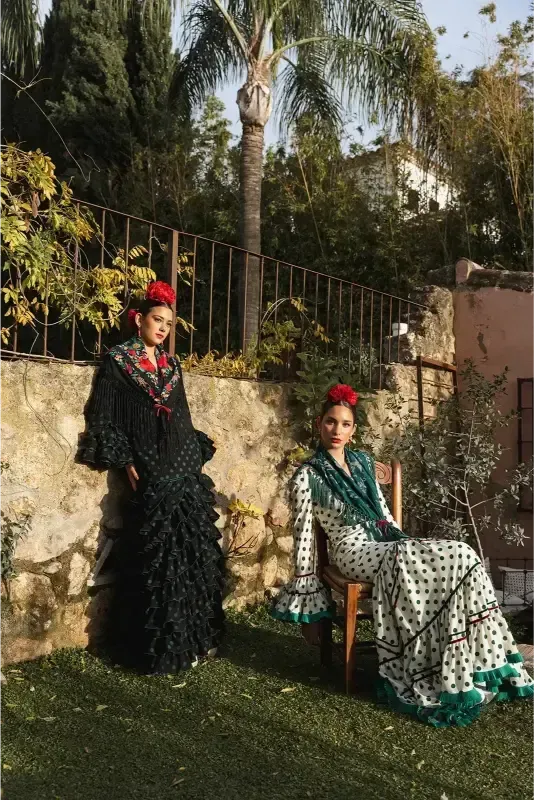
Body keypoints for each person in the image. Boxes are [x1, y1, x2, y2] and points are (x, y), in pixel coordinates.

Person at [272, 383, 534, 727]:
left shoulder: (363, 463)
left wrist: (406, 542)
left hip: (387, 542)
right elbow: (304, 537)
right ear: (319, 424)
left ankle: (476, 661)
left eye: (345, 424)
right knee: (409, 556)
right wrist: (310, 608)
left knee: (462, 553)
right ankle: (427, 664)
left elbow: (385, 513)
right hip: (352, 550)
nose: (337, 430)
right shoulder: (308, 475)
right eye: (330, 422)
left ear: (354, 430)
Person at [78, 280, 224, 673]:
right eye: (157, 320)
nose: (162, 328)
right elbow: (104, 415)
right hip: (148, 465)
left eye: (168, 324)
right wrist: (125, 459)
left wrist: (194, 458)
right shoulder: (118, 361)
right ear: (138, 319)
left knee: (192, 551)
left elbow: (183, 415)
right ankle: (155, 648)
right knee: (155, 553)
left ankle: (191, 641)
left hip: (182, 463)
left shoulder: (171, 364)